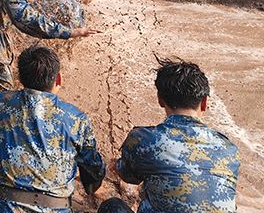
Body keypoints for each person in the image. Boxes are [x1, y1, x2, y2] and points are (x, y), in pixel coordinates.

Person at [0, 45, 106, 213]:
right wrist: (91, 187)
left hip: (5, 208)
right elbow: (93, 173)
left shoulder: (2, 104)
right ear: (58, 79)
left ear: (20, 78)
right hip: (57, 208)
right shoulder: (76, 119)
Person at [98, 58, 240, 213]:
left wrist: (115, 165)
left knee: (112, 206)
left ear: (160, 100)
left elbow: (129, 176)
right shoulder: (229, 149)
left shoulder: (144, 139)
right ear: (205, 102)